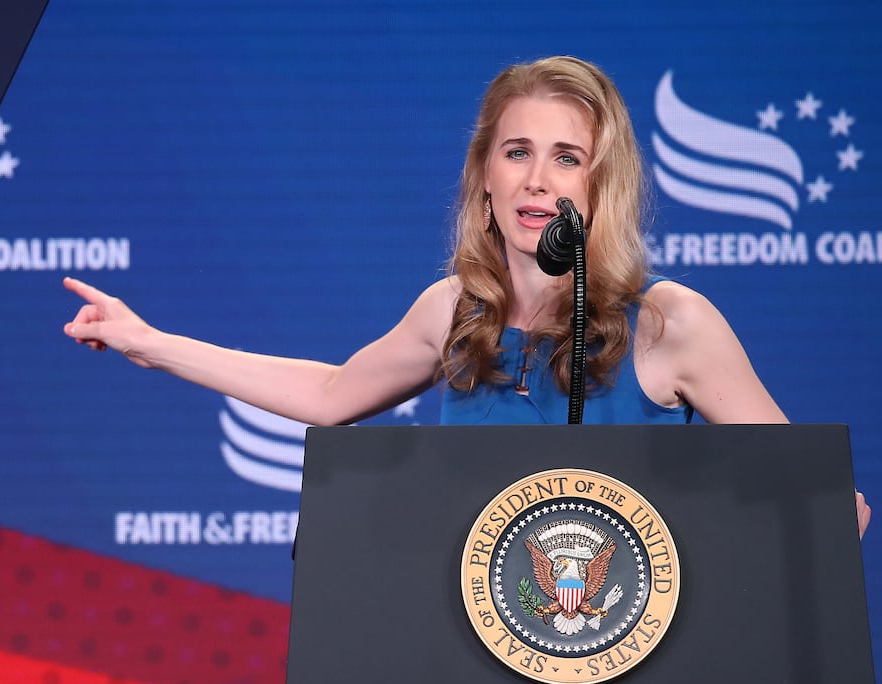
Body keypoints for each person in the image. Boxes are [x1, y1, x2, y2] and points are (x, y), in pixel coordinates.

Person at [62, 55, 870, 534]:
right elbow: (332, 393)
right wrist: (151, 343)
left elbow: (834, 509)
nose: (537, 180)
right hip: (475, 681)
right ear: (485, 178)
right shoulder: (454, 312)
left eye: (566, 157)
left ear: (601, 184)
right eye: (517, 152)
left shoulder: (671, 323)